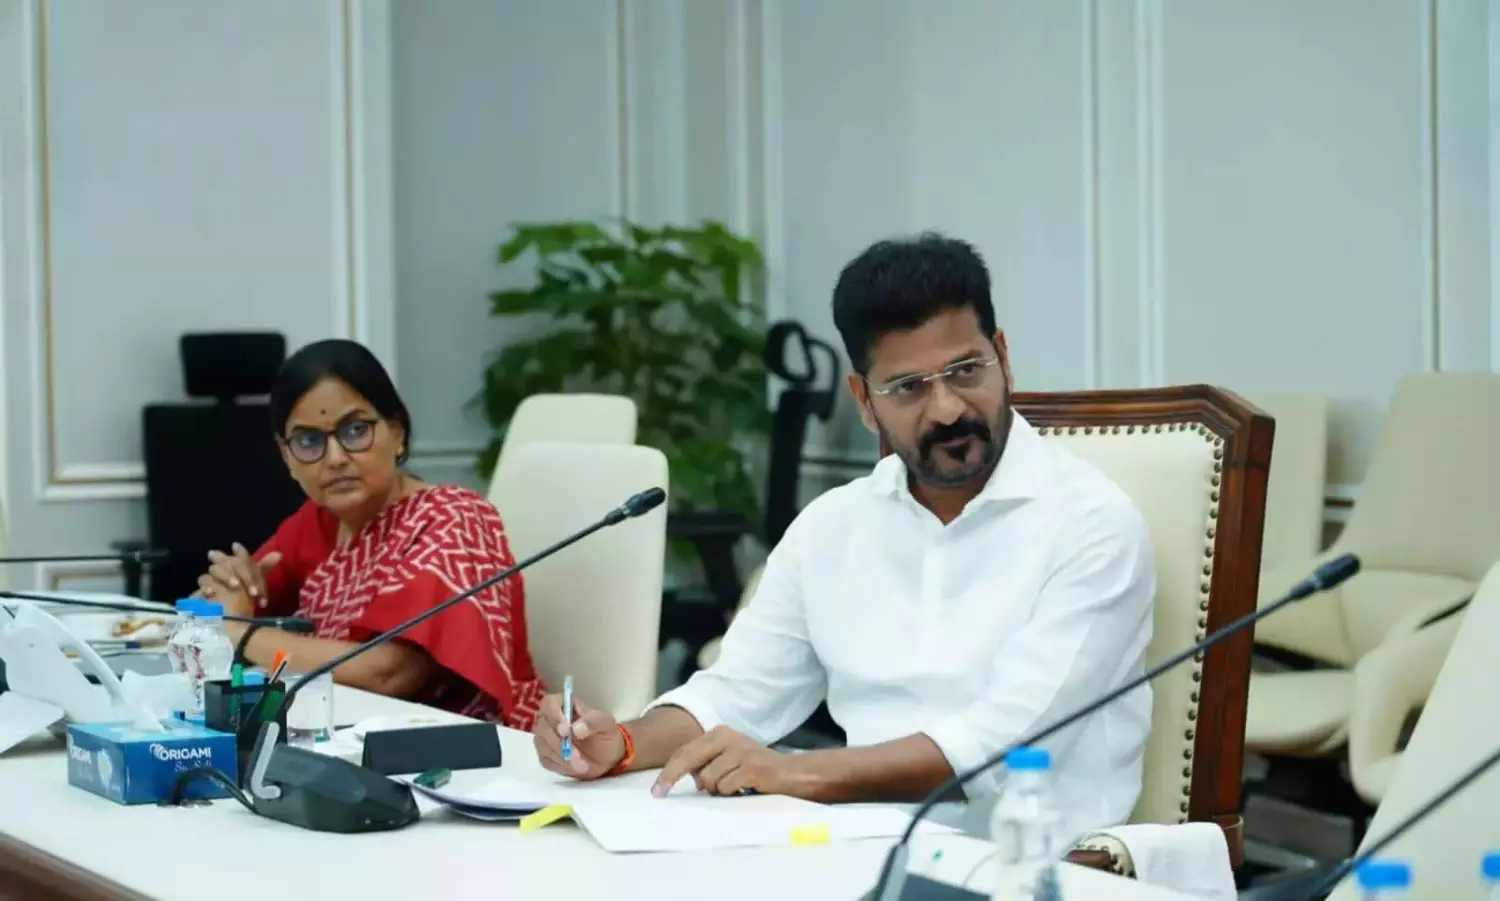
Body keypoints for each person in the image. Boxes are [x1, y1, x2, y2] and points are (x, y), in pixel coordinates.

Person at [531, 233, 1156, 837]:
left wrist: (795, 772)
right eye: (908, 388)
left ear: (1003, 357)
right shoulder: (833, 526)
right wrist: (623, 743)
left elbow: (1003, 744)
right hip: (852, 848)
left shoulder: (1091, 525)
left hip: (1039, 866)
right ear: (863, 399)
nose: (947, 409)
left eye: (966, 370)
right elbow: (737, 692)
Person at [195, 339, 545, 729]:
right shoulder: (319, 522)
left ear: (397, 433)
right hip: (345, 732)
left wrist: (238, 635)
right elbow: (206, 608)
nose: (335, 458)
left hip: (476, 742)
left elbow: (391, 673)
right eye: (308, 441)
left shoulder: (452, 521)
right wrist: (227, 594)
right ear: (287, 457)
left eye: (356, 430)